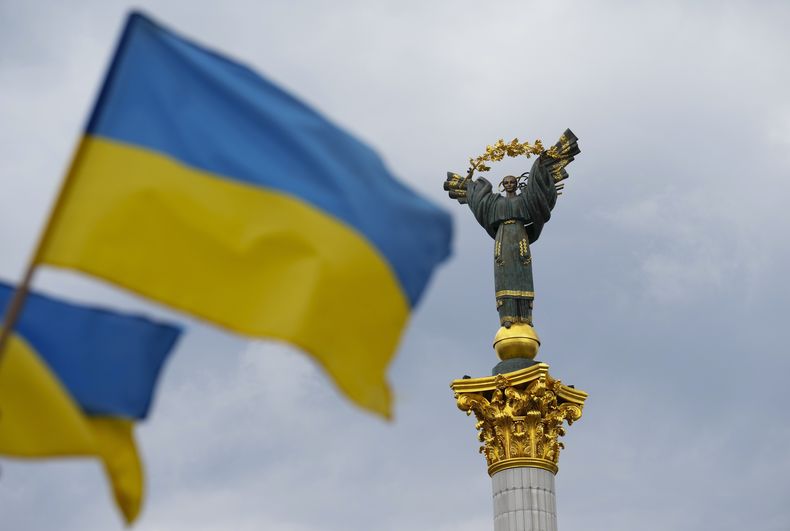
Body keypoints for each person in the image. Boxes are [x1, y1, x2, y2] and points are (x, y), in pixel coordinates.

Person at [444, 129, 579, 328]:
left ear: (516, 183)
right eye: (506, 182)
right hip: (503, 238)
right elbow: (478, 199)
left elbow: (538, 190)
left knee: (522, 274)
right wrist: (469, 186)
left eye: (512, 182)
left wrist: (541, 165)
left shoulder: (525, 200)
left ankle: (525, 316)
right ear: (501, 184)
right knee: (504, 274)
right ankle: (506, 316)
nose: (509, 184)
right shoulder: (494, 202)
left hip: (520, 237)